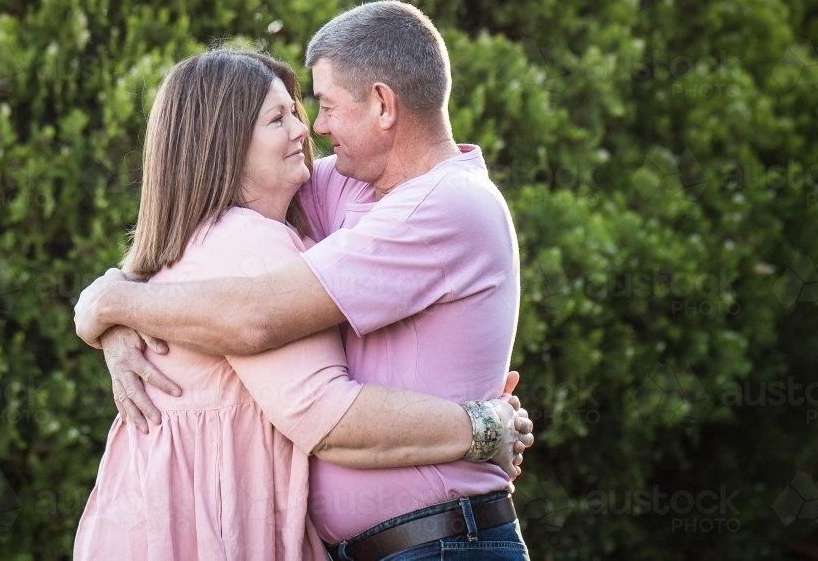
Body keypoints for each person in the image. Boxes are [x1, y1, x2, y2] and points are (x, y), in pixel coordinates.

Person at [73, 46, 534, 561]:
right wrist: (486, 427)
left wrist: (111, 306)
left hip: (439, 540)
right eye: (280, 117)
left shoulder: (327, 206)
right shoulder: (249, 242)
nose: (307, 129)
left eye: (307, 109)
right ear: (223, 143)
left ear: (383, 104)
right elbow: (312, 397)